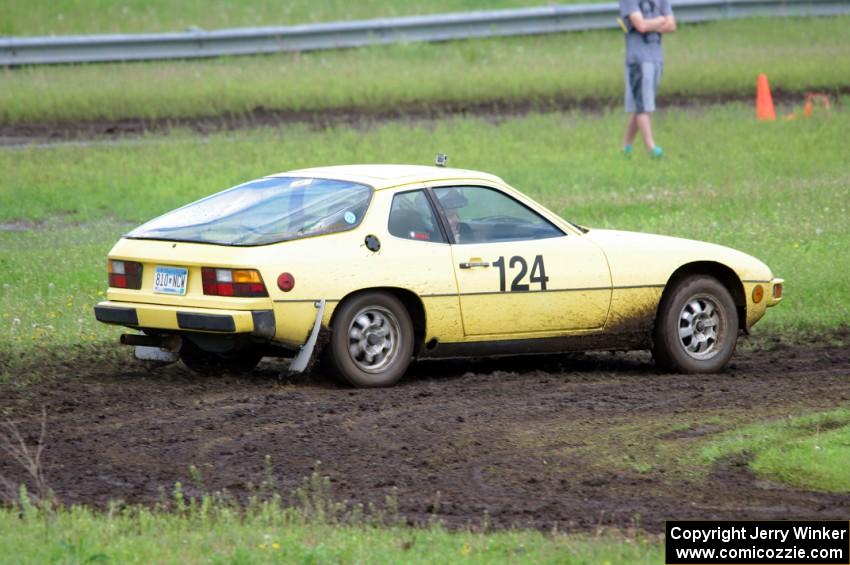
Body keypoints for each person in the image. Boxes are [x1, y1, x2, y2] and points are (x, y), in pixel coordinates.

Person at [620, 0, 676, 158]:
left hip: (656, 57)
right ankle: (651, 148)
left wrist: (651, 23)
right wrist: (659, 21)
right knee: (644, 106)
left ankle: (626, 147)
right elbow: (640, 25)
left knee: (642, 104)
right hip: (639, 58)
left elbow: (672, 25)